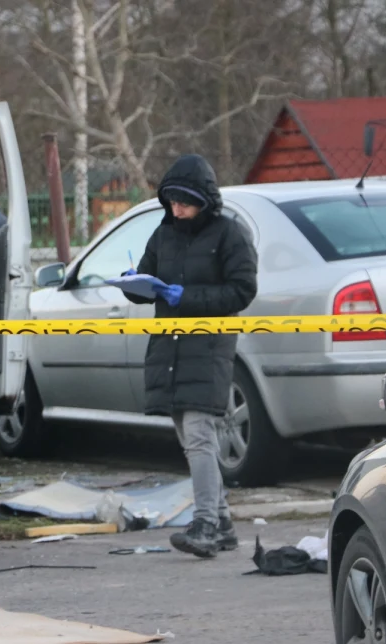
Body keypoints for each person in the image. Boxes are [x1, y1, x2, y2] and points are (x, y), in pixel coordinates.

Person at [120, 154, 258, 558]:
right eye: (171, 202)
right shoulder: (164, 234)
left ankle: (205, 525)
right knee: (189, 436)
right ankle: (224, 524)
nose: (177, 210)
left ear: (203, 200)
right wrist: (132, 284)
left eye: (184, 203)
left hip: (208, 347)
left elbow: (242, 290)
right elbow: (145, 278)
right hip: (169, 346)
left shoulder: (229, 234)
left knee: (199, 436)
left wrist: (189, 298)